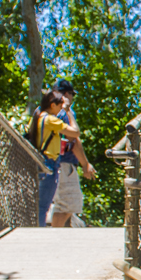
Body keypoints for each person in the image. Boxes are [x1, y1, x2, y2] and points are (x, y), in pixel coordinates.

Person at [30, 90, 81, 225]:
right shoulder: (50, 120)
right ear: (53, 105)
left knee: (40, 206)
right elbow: (75, 132)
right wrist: (69, 112)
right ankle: (39, 236)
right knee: (42, 207)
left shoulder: (39, 117)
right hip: (50, 164)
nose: (61, 110)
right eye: (60, 106)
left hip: (42, 162)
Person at [51, 80, 96, 226]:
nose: (72, 98)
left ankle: (55, 235)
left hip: (52, 162)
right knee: (67, 205)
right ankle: (54, 237)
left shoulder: (46, 110)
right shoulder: (65, 112)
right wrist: (85, 164)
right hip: (64, 164)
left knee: (63, 205)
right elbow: (74, 139)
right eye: (72, 94)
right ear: (65, 94)